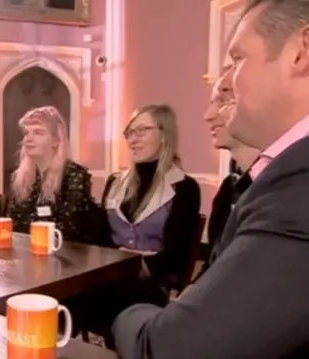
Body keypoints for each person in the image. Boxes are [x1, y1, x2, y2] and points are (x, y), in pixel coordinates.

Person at [112, 1, 309, 357]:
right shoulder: (280, 176)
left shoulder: (298, 185)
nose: (228, 83)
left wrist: (124, 314)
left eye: (237, 60)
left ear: (302, 51)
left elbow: (167, 349)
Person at [100, 104, 201, 291]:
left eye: (141, 131)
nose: (132, 140)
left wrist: (133, 265)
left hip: (153, 283)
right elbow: (101, 238)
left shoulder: (185, 188)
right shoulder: (114, 181)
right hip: (109, 277)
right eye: (129, 132)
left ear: (164, 135)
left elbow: (176, 255)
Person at [196, 70, 259, 281]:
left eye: (223, 100)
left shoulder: (284, 188)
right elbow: (214, 268)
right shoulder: (228, 190)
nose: (208, 115)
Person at [5, 106, 98, 243]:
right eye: (26, 133)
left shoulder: (75, 175)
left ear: (55, 141)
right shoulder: (19, 177)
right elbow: (13, 225)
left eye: (38, 132)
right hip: (25, 254)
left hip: (67, 257)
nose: (28, 139)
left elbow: (68, 231)